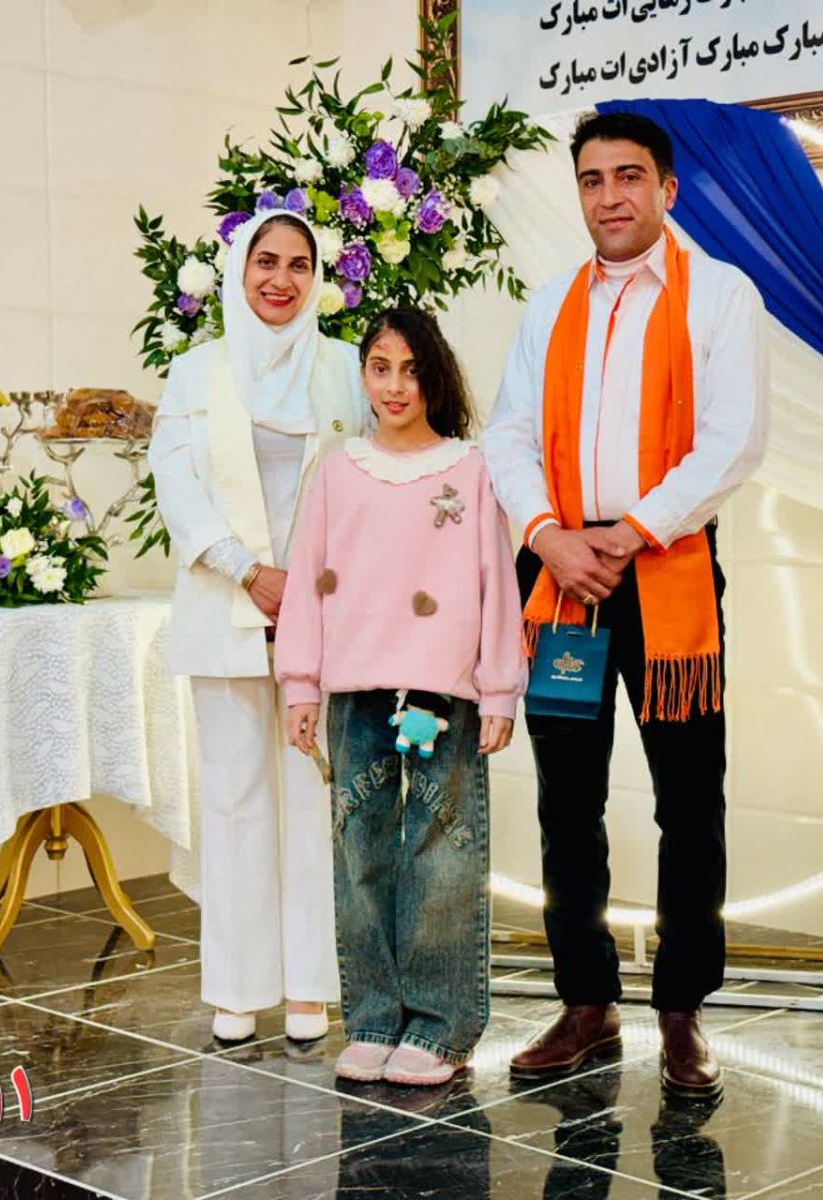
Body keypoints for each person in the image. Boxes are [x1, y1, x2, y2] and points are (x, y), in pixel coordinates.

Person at [481, 111, 769, 1097]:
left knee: (689, 801)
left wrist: (630, 531)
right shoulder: (550, 304)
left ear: (667, 189)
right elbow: (508, 434)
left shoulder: (719, 296)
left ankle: (682, 1012)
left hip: (666, 570)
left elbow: (732, 438)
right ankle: (586, 1002)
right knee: (568, 803)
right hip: (563, 578)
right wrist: (547, 536)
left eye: (629, 176)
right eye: (593, 179)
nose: (610, 196)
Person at [275, 308, 526, 1086]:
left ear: (434, 377)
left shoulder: (471, 469)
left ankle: (441, 1027)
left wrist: (499, 691)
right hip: (355, 690)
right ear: (363, 375)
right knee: (362, 850)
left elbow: (496, 582)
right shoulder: (338, 471)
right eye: (380, 368)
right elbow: (305, 581)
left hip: (442, 691)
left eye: (411, 370)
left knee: (441, 852)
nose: (394, 386)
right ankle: (375, 1018)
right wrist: (299, 683)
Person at [148, 209, 365, 1044]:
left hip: (325, 613)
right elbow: (178, 487)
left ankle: (311, 984)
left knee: (315, 798)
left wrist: (310, 585)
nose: (281, 279)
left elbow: (365, 481)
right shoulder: (195, 371)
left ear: (318, 277)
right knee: (235, 799)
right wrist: (248, 570)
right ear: (239, 271)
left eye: (298, 264)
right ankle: (238, 987)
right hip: (226, 605)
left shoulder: (344, 368)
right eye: (265, 262)